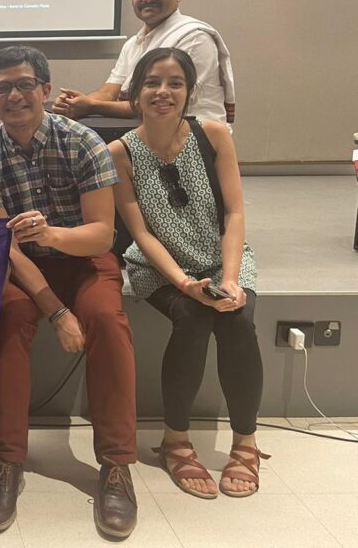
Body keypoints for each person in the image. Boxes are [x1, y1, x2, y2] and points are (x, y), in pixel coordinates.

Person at [0, 45, 138, 538]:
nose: (14, 95)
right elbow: (7, 251)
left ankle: (117, 466)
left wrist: (51, 234)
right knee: (9, 319)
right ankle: (6, 461)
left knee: (106, 319)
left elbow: (103, 234)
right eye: (2, 88)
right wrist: (57, 312)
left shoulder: (82, 143)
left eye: (23, 85)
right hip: (22, 268)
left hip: (84, 258)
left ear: (44, 90)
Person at [109, 47, 265, 499]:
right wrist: (183, 283)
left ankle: (246, 443)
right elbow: (139, 231)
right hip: (159, 265)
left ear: (189, 91)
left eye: (175, 83)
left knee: (239, 320)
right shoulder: (120, 151)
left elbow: (235, 214)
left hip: (222, 258)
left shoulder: (213, 133)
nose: (163, 92)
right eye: (152, 83)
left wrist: (230, 278)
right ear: (136, 92)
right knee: (192, 317)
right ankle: (175, 440)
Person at [53, 0, 237, 125]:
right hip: (151, 134)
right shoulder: (133, 43)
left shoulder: (194, 37)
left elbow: (161, 104)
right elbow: (109, 92)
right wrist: (74, 102)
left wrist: (91, 106)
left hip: (194, 138)